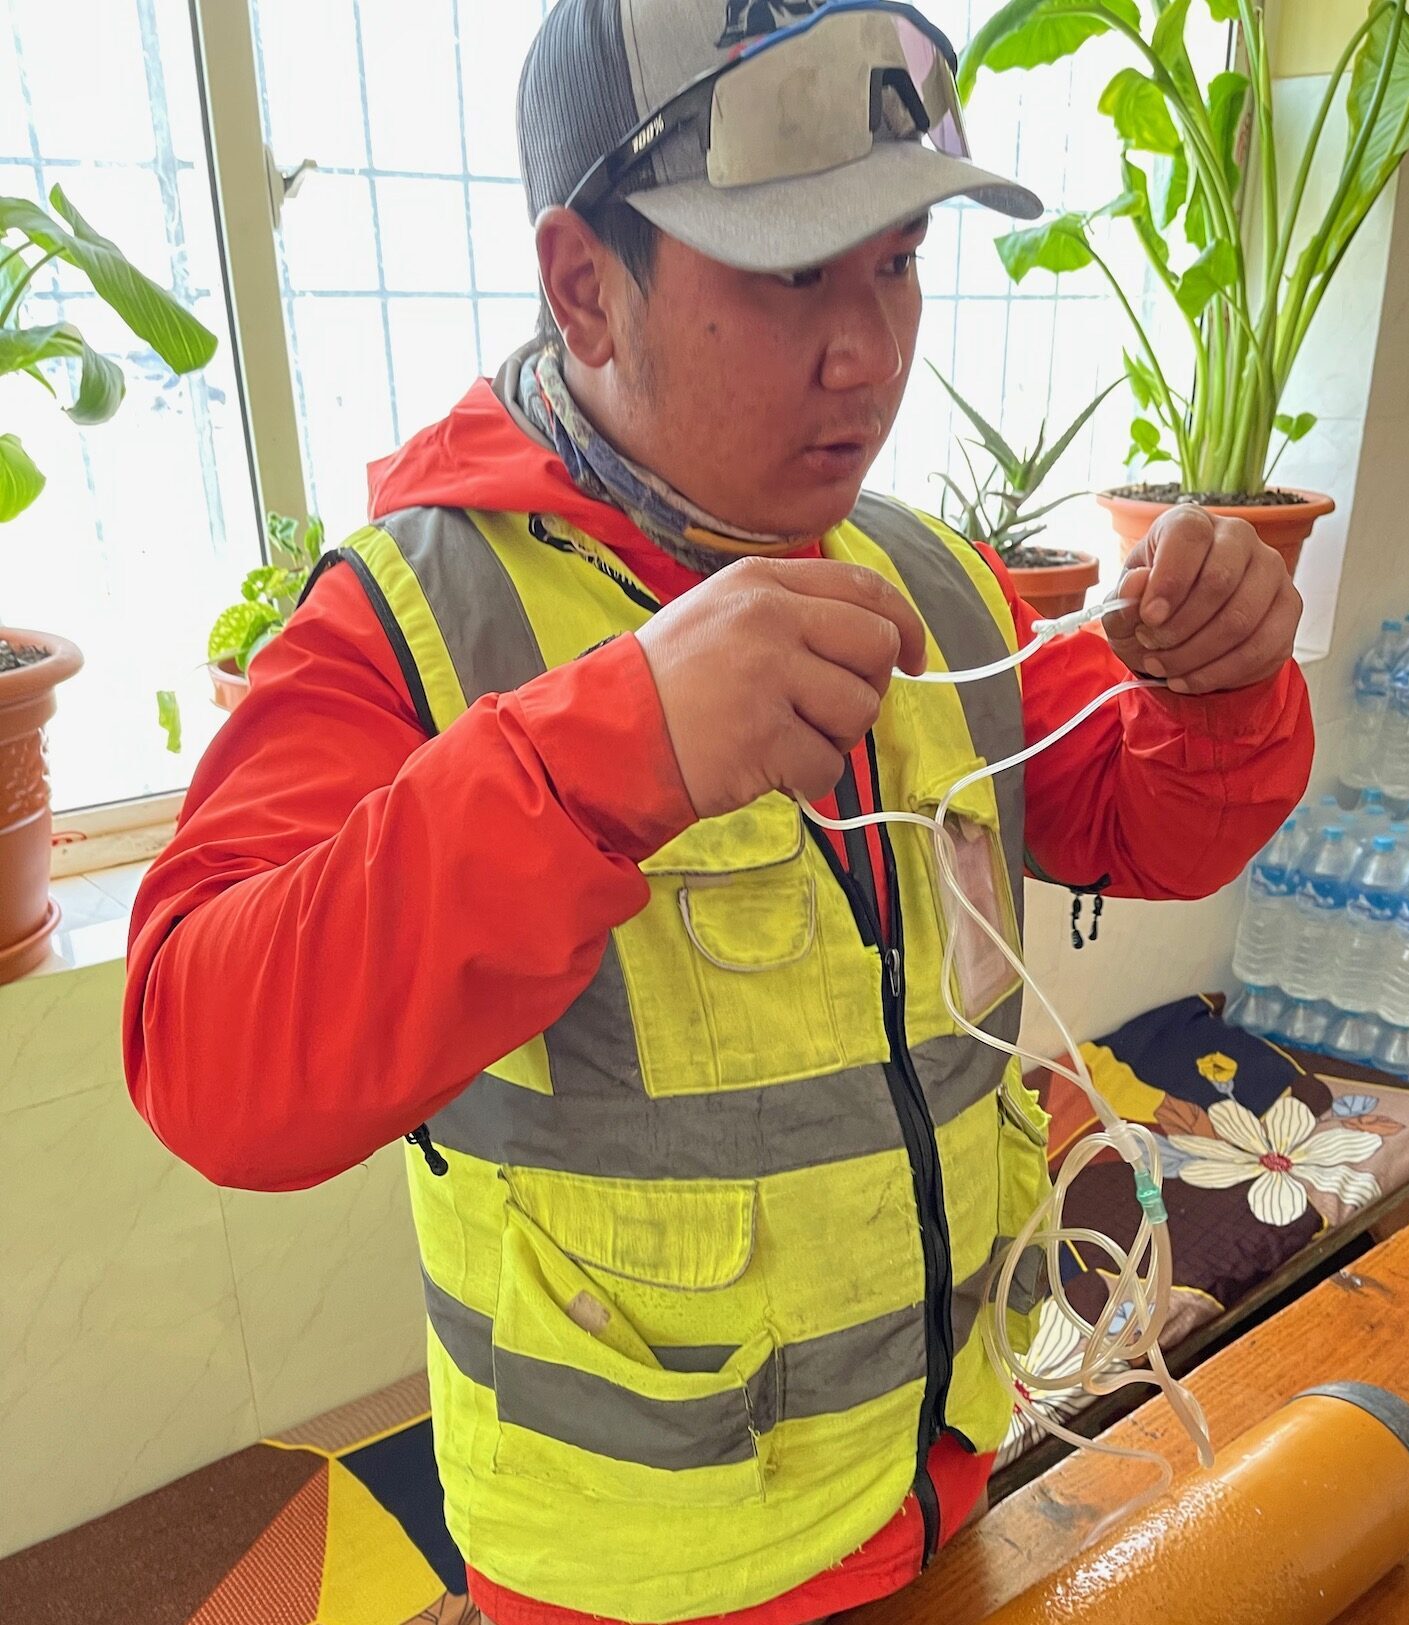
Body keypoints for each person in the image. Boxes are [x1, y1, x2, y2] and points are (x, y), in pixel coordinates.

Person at [124, 2, 1313, 1621]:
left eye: (893, 262)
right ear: (579, 285)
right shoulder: (412, 618)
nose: (868, 352)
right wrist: (599, 754)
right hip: (626, 1573)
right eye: (786, 274)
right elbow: (206, 1061)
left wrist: (1221, 682)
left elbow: (1142, 826)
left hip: (938, 1467)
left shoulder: (932, 579)